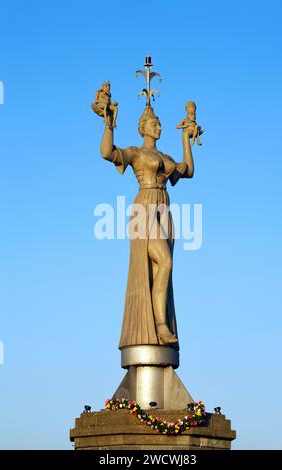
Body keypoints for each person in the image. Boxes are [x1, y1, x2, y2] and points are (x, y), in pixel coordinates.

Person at [99, 104, 195, 349]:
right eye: (154, 123)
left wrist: (186, 137)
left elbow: (189, 171)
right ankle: (161, 327)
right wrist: (108, 124)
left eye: (160, 123)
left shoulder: (166, 157)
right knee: (165, 261)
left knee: (160, 271)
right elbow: (107, 152)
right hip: (145, 207)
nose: (159, 127)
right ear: (143, 128)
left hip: (164, 209)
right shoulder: (136, 153)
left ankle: (159, 323)